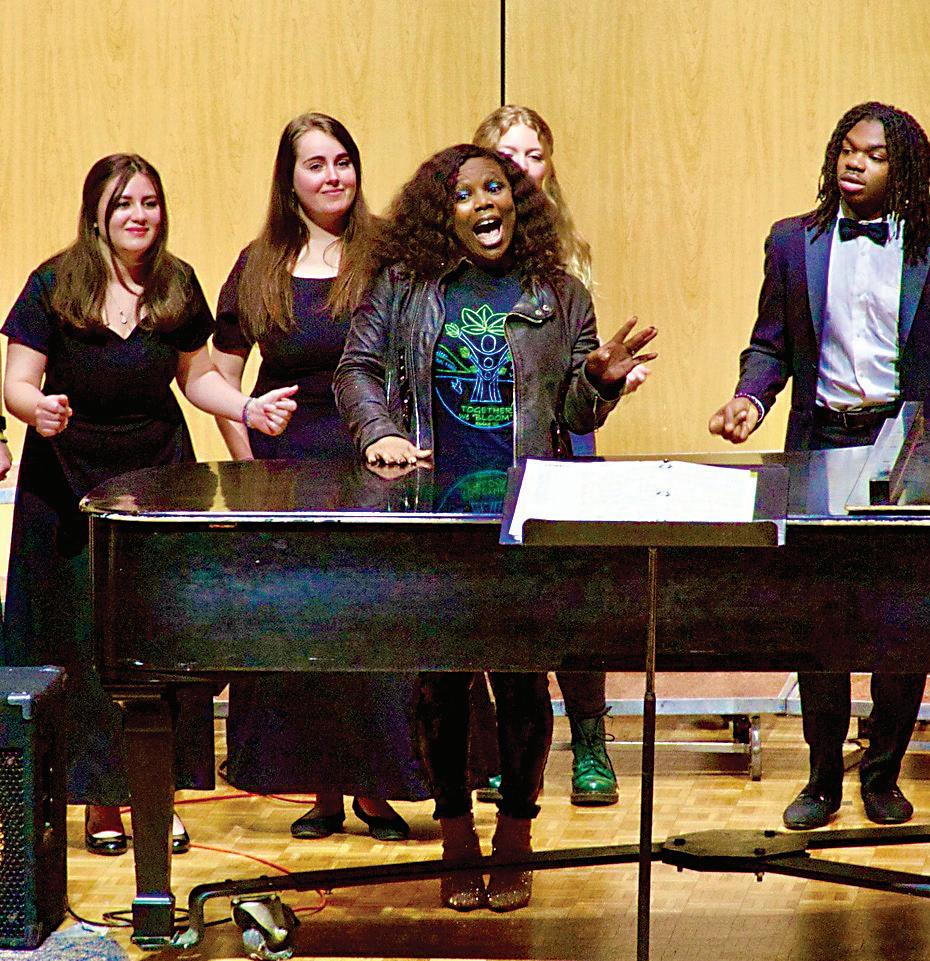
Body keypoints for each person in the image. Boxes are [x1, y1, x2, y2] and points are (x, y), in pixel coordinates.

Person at [334, 144, 656, 911]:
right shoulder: (403, 286)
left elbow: (572, 411)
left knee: (520, 682)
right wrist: (378, 430)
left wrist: (598, 380)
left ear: (516, 200)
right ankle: (455, 836)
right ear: (438, 214)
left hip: (522, 513)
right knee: (441, 684)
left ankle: (515, 835)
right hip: (434, 516)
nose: (485, 202)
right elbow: (355, 369)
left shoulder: (559, 293)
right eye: (465, 193)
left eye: (496, 187)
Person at [2, 153, 297, 856]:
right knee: (81, 640)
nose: (139, 215)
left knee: (156, 642)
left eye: (150, 202)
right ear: (96, 215)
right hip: (67, 484)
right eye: (124, 203)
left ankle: (155, 796)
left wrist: (247, 408)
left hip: (155, 480)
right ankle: (100, 800)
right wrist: (37, 409)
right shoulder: (53, 283)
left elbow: (197, 378)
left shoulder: (175, 283)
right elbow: (16, 383)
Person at [708, 102, 930, 830]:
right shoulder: (791, 243)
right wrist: (749, 398)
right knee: (818, 616)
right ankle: (822, 774)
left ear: (904, 171)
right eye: (847, 149)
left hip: (904, 448)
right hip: (820, 441)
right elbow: (769, 344)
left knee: (903, 620)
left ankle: (882, 771)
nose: (854, 163)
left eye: (875, 155)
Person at [211, 112, 427, 841]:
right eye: (316, 164)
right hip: (287, 470)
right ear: (290, 179)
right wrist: (247, 465)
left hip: (374, 463)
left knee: (372, 630)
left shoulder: (388, 255)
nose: (333, 176)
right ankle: (323, 790)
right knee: (306, 629)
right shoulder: (258, 263)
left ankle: (376, 788)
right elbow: (223, 378)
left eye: (343, 161)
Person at [471, 104, 639, 806]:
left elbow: (580, 360)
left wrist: (603, 378)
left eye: (533, 155)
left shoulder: (571, 253)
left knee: (575, 598)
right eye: (506, 156)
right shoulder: (459, 257)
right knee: (502, 598)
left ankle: (590, 742)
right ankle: (514, 744)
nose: (521, 167)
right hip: (492, 440)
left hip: (564, 439)